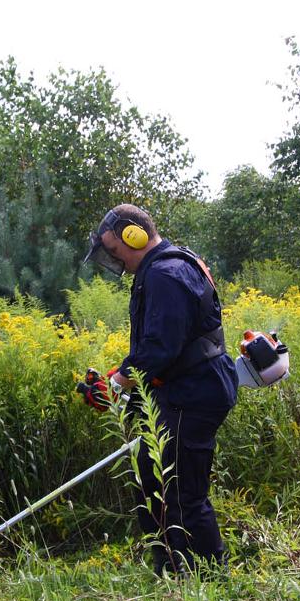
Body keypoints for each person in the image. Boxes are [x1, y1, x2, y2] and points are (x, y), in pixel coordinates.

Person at [83, 204, 238, 576]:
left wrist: (118, 381)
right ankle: (171, 570)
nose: (114, 259)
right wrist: (123, 384)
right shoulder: (166, 267)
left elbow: (160, 348)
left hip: (193, 393)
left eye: (114, 249)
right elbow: (161, 350)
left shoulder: (166, 274)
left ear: (133, 235)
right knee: (153, 480)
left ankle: (212, 578)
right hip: (181, 387)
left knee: (181, 492)